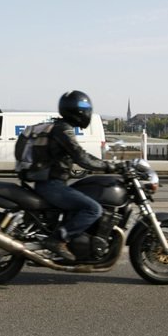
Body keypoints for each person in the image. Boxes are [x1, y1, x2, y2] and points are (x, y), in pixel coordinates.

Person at [34, 90, 118, 261]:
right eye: (86, 109)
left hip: (49, 183)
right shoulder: (63, 130)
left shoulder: (59, 127)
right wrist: (109, 165)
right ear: (78, 112)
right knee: (93, 209)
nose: (88, 112)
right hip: (52, 185)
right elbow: (81, 157)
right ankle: (59, 239)